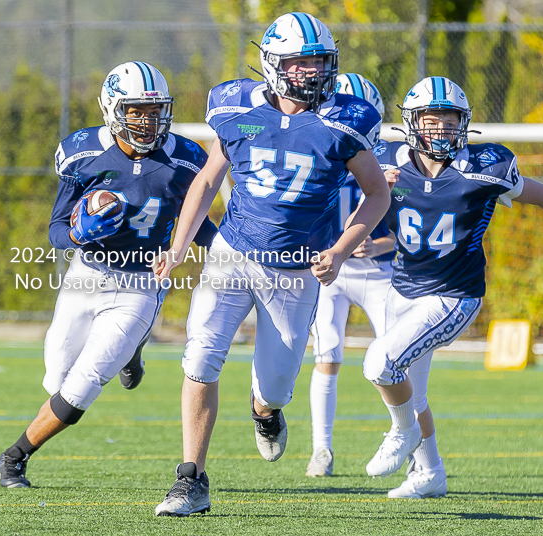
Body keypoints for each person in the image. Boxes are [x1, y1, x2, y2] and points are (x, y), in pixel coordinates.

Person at [152, 12, 391, 516]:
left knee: (277, 387)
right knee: (201, 356)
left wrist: (342, 249)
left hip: (296, 270)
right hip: (232, 254)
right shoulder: (237, 107)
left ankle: (265, 412)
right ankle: (190, 479)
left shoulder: (345, 119)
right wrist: (179, 245)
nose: (311, 73)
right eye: (299, 63)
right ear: (272, 64)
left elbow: (377, 195)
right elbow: (207, 181)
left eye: (319, 62)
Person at [0, 61, 217, 488]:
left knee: (80, 388)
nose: (147, 121)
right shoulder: (82, 152)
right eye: (136, 111)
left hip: (140, 286)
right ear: (113, 108)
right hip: (86, 275)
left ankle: (15, 455)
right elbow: (56, 229)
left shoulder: (186, 159)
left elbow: (200, 224)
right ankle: (132, 352)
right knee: (56, 378)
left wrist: (233, 251)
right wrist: (79, 234)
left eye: (155, 111)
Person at [363, 76, 543, 498]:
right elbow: (343, 193)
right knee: (413, 392)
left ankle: (403, 433)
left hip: (454, 295)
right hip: (402, 288)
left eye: (449, 118)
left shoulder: (485, 166)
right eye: (431, 118)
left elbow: (533, 192)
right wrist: (373, 184)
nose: (441, 127)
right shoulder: (386, 160)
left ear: (464, 123)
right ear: (411, 122)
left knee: (379, 365)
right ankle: (429, 473)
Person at [306, 73, 397, 477]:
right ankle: (321, 449)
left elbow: (422, 223)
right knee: (326, 354)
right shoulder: (317, 144)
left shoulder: (396, 153)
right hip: (331, 270)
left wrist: (383, 244)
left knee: (397, 359)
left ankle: (406, 435)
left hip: (380, 271)